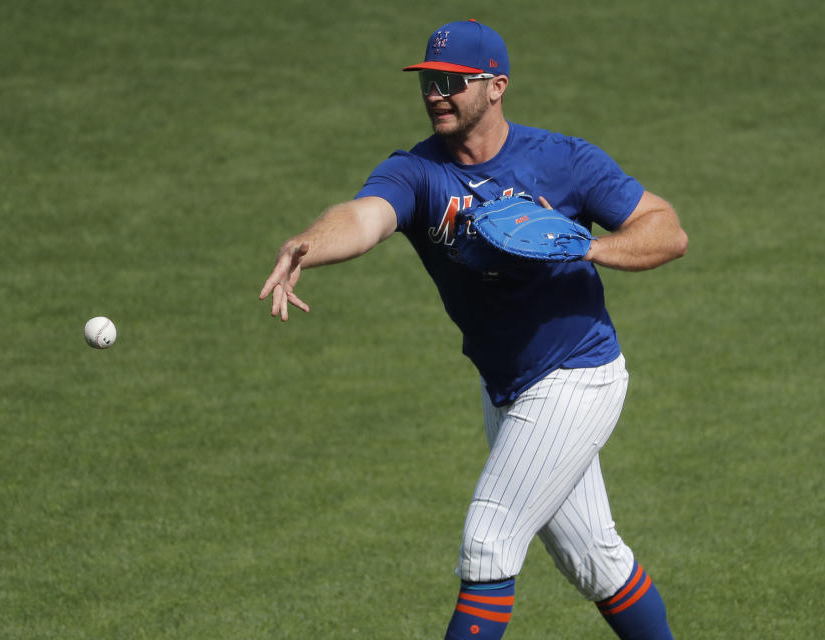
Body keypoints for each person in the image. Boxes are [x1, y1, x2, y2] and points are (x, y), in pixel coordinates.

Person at [260, 19, 687, 640]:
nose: (437, 92)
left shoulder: (562, 160)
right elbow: (364, 217)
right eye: (430, 80)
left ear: (496, 87)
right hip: (507, 389)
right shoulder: (416, 172)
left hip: (577, 377)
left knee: (488, 542)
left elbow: (666, 230)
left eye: (454, 81)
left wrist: (585, 249)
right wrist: (309, 244)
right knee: (596, 561)